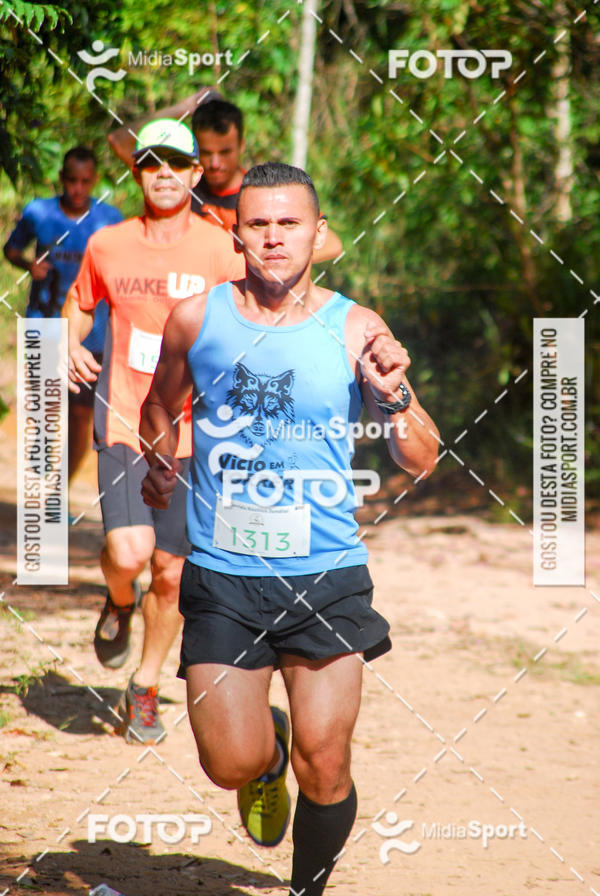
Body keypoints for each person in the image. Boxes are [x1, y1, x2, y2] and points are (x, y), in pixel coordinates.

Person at [139, 162, 439, 894]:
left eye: (289, 223)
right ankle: (264, 756)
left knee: (327, 761)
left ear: (319, 233)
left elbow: (421, 456)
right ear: (235, 233)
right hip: (225, 575)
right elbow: (157, 405)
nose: (274, 237)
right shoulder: (196, 319)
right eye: (259, 224)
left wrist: (394, 393)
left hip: (326, 575)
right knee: (229, 765)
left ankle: (308, 889)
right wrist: (159, 462)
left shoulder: (358, 327)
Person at [64, 119, 245, 744]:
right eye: (150, 163)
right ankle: (118, 600)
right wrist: (68, 342)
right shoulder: (109, 244)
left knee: (170, 572)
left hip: (198, 435)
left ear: (197, 174)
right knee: (130, 556)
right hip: (124, 417)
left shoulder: (223, 249)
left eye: (177, 163)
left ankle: (144, 685)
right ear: (137, 172)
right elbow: (79, 303)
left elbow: (260, 308)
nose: (164, 173)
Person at [3, 146, 122, 482]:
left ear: (95, 180)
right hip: (44, 324)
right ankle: (40, 498)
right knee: (42, 410)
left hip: (91, 334)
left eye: (85, 181)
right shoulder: (39, 213)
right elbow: (11, 248)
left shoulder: (109, 219)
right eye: (72, 180)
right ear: (61, 179)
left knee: (82, 417)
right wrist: (28, 265)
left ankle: (61, 491)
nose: (78, 188)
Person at [108, 92, 343, 261]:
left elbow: (332, 245)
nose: (215, 163)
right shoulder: (178, 183)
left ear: (241, 145)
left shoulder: (261, 192)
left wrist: (256, 261)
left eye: (225, 152)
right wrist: (184, 107)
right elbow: (119, 140)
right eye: (207, 153)